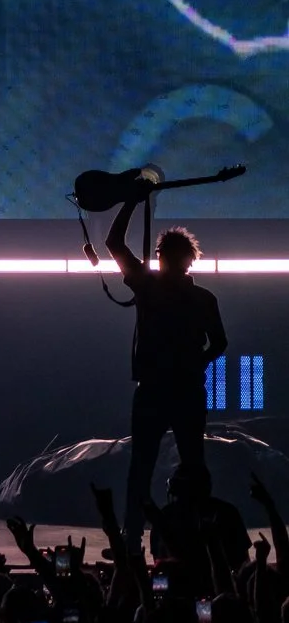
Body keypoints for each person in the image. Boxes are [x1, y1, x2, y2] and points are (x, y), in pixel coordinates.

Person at [108, 194, 226, 549]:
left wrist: (130, 201)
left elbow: (114, 243)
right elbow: (219, 343)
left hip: (160, 389)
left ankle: (133, 536)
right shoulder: (197, 297)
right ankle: (197, 533)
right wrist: (197, 363)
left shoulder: (149, 286)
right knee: (191, 463)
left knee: (145, 465)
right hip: (184, 389)